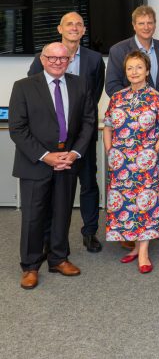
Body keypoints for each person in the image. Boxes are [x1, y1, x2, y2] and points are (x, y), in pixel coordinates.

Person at [11, 42, 96, 289]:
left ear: (69, 60)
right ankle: (30, 265)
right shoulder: (23, 87)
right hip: (35, 162)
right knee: (33, 216)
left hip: (68, 160)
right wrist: (45, 156)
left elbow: (89, 122)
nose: (58, 62)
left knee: (62, 211)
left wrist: (75, 153)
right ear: (43, 59)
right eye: (52, 58)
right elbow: (18, 128)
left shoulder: (80, 84)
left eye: (63, 59)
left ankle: (58, 257)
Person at [27, 12, 105, 253]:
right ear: (60, 28)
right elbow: (35, 93)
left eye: (79, 24)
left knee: (89, 184)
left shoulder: (93, 60)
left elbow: (94, 96)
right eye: (69, 24)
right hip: (53, 139)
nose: (74, 27)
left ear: (83, 31)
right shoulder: (45, 57)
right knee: (52, 187)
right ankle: (49, 236)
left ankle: (89, 232)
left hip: (84, 136)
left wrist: (84, 130)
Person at [105, 5, 159, 241]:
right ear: (134, 26)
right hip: (131, 130)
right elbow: (112, 85)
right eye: (142, 23)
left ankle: (155, 226)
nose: (147, 27)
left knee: (155, 177)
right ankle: (131, 232)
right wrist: (138, 108)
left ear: (155, 24)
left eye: (150, 22)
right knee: (127, 186)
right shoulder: (119, 50)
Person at [104, 51, 159, 274]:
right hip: (120, 163)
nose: (134, 72)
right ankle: (134, 247)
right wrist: (109, 151)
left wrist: (153, 151)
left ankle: (143, 251)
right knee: (125, 204)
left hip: (145, 163)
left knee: (145, 204)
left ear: (147, 70)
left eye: (139, 67)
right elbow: (107, 126)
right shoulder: (117, 97)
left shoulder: (156, 97)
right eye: (130, 68)